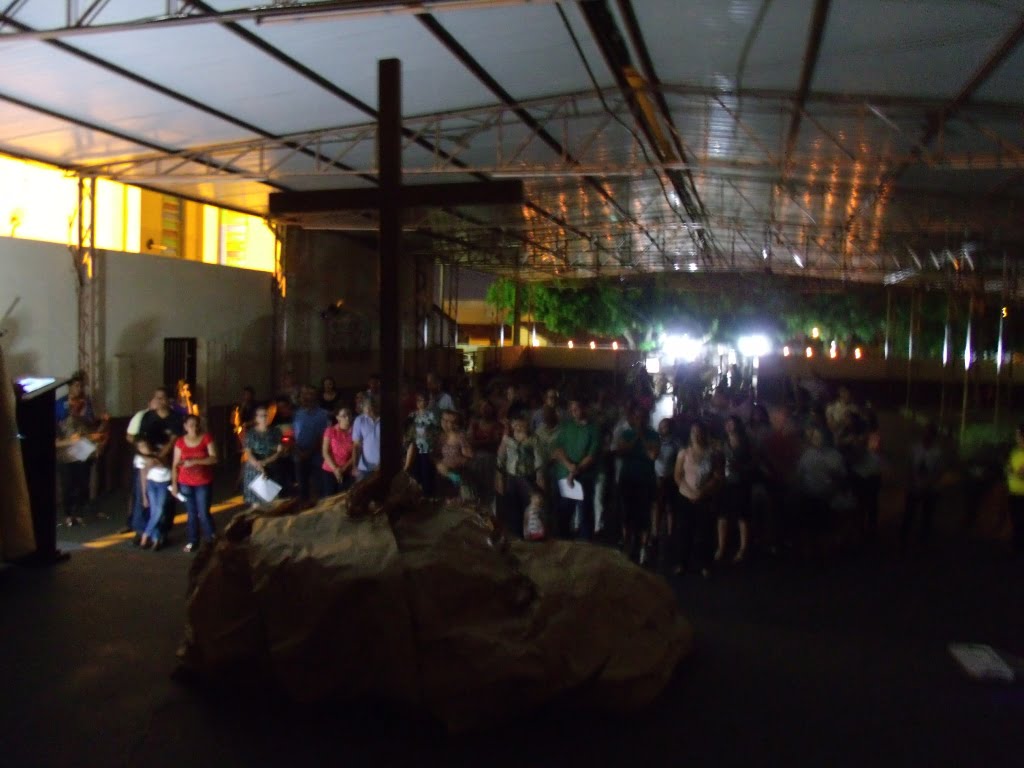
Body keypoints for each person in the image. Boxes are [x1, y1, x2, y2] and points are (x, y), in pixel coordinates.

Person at [673, 421, 722, 578]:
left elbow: (717, 476)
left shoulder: (712, 454)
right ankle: (682, 562)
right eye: (693, 431)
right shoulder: (684, 453)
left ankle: (704, 563)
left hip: (704, 497)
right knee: (684, 530)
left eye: (699, 431)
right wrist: (690, 492)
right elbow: (678, 475)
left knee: (704, 531)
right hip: (685, 496)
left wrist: (703, 491)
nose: (696, 434)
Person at [137, 387, 184, 540]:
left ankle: (162, 531)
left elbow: (176, 439)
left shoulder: (176, 418)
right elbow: (141, 438)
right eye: (156, 397)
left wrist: (162, 455)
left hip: (168, 462)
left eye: (162, 397)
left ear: (168, 400)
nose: (159, 400)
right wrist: (148, 456)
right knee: (147, 496)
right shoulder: (148, 417)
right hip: (149, 460)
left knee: (166, 499)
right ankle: (150, 532)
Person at [552, 397, 601, 540]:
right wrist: (569, 465)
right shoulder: (566, 426)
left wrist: (575, 470)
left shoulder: (594, 429)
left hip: (584, 477)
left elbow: (591, 456)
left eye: (577, 408)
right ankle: (563, 542)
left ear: (584, 408)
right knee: (564, 513)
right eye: (571, 409)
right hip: (564, 475)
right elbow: (557, 448)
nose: (574, 412)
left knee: (585, 514)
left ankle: (585, 546)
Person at [616, 405, 659, 563]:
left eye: (642, 417)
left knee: (644, 515)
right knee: (627, 514)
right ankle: (628, 544)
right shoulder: (626, 434)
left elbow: (653, 455)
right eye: (637, 417)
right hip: (628, 479)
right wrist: (635, 438)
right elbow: (621, 452)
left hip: (645, 480)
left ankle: (643, 546)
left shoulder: (653, 435)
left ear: (646, 419)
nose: (639, 420)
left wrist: (643, 439)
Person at [171, 415, 218, 553]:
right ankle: (193, 540)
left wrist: (195, 462)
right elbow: (175, 464)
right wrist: (174, 484)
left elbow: (214, 458)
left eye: (196, 424)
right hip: (185, 481)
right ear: (185, 426)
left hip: (203, 481)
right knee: (191, 513)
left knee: (203, 512)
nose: (194, 428)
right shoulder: (180, 442)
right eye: (191, 425)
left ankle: (211, 539)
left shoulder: (206, 438)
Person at [496, 415, 542, 537]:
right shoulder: (507, 439)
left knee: (529, 506)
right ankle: (516, 534)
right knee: (512, 506)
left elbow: (539, 460)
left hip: (527, 477)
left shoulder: (533, 439)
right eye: (516, 425)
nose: (519, 427)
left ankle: (530, 534)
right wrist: (499, 477)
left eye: (522, 425)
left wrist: (539, 477)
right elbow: (500, 458)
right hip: (511, 477)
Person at [717, 416, 754, 563]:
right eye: (727, 423)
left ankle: (743, 548)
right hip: (725, 482)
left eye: (731, 423)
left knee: (742, 516)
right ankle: (721, 546)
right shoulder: (722, 442)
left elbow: (753, 463)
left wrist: (741, 467)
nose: (728, 426)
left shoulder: (745, 443)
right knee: (722, 515)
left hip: (741, 482)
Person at [901, 422, 943, 553]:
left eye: (929, 433)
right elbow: (909, 466)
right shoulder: (915, 448)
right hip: (915, 486)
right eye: (925, 432)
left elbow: (938, 471)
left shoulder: (937, 452)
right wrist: (910, 483)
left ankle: (923, 540)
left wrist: (928, 484)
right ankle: (904, 538)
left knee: (926, 515)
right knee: (909, 514)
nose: (926, 435)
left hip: (929, 488)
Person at [292, 384, 331, 501]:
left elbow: (323, 436)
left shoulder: (323, 414)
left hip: (316, 456)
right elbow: (292, 434)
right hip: (299, 455)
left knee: (318, 489)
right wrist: (298, 451)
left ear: (315, 396)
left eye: (309, 394)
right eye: (303, 394)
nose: (305, 397)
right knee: (302, 489)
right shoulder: (296, 414)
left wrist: (309, 452)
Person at [242, 405, 284, 509]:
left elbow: (279, 451)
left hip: (272, 467)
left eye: (266, 415)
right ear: (256, 418)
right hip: (254, 469)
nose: (264, 418)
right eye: (261, 416)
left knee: (273, 502)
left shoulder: (276, 432)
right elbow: (248, 453)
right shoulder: (250, 434)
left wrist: (265, 462)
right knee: (256, 504)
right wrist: (259, 466)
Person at [467, 398, 503, 510]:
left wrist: (479, 443)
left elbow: (496, 443)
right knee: (477, 485)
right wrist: (486, 442)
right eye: (482, 407)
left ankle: (490, 510)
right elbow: (471, 441)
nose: (485, 410)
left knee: (490, 486)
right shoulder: (474, 423)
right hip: (476, 457)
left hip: (491, 458)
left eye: (487, 407)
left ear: (492, 409)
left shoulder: (497, 425)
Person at [403, 391, 439, 496]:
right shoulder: (413, 415)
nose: (419, 403)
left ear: (427, 402)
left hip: (426, 447)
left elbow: (436, 430)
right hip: (414, 445)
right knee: (415, 470)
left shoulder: (431, 415)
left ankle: (427, 493)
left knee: (426, 470)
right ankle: (417, 493)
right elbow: (407, 428)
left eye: (421, 400)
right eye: (417, 400)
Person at [435, 409, 474, 499]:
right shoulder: (440, 436)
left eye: (449, 421)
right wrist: (439, 464)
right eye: (444, 420)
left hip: (458, 471)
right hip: (443, 472)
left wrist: (457, 462)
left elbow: (469, 456)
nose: (445, 423)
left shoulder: (460, 436)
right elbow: (436, 455)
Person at [321, 407, 356, 495]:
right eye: (344, 416)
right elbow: (325, 452)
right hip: (330, 469)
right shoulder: (330, 430)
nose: (347, 418)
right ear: (337, 417)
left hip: (347, 470)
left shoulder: (355, 431)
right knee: (330, 497)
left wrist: (344, 468)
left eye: (349, 415)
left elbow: (356, 452)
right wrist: (335, 469)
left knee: (345, 496)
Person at [1005, 424, 1024, 558]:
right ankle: (1016, 547)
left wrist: (1013, 472)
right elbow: (1008, 468)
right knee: (1015, 521)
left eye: (1018, 435)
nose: (1016, 437)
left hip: (1023, 494)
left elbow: (1020, 474)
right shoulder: (1014, 452)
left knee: (1021, 521)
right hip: (1013, 492)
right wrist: (1009, 470)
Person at [352, 396, 382, 480]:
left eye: (370, 407)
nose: (368, 410)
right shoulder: (359, 420)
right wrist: (355, 466)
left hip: (383, 467)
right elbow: (356, 445)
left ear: (376, 406)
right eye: (365, 407)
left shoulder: (386, 419)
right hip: (364, 468)